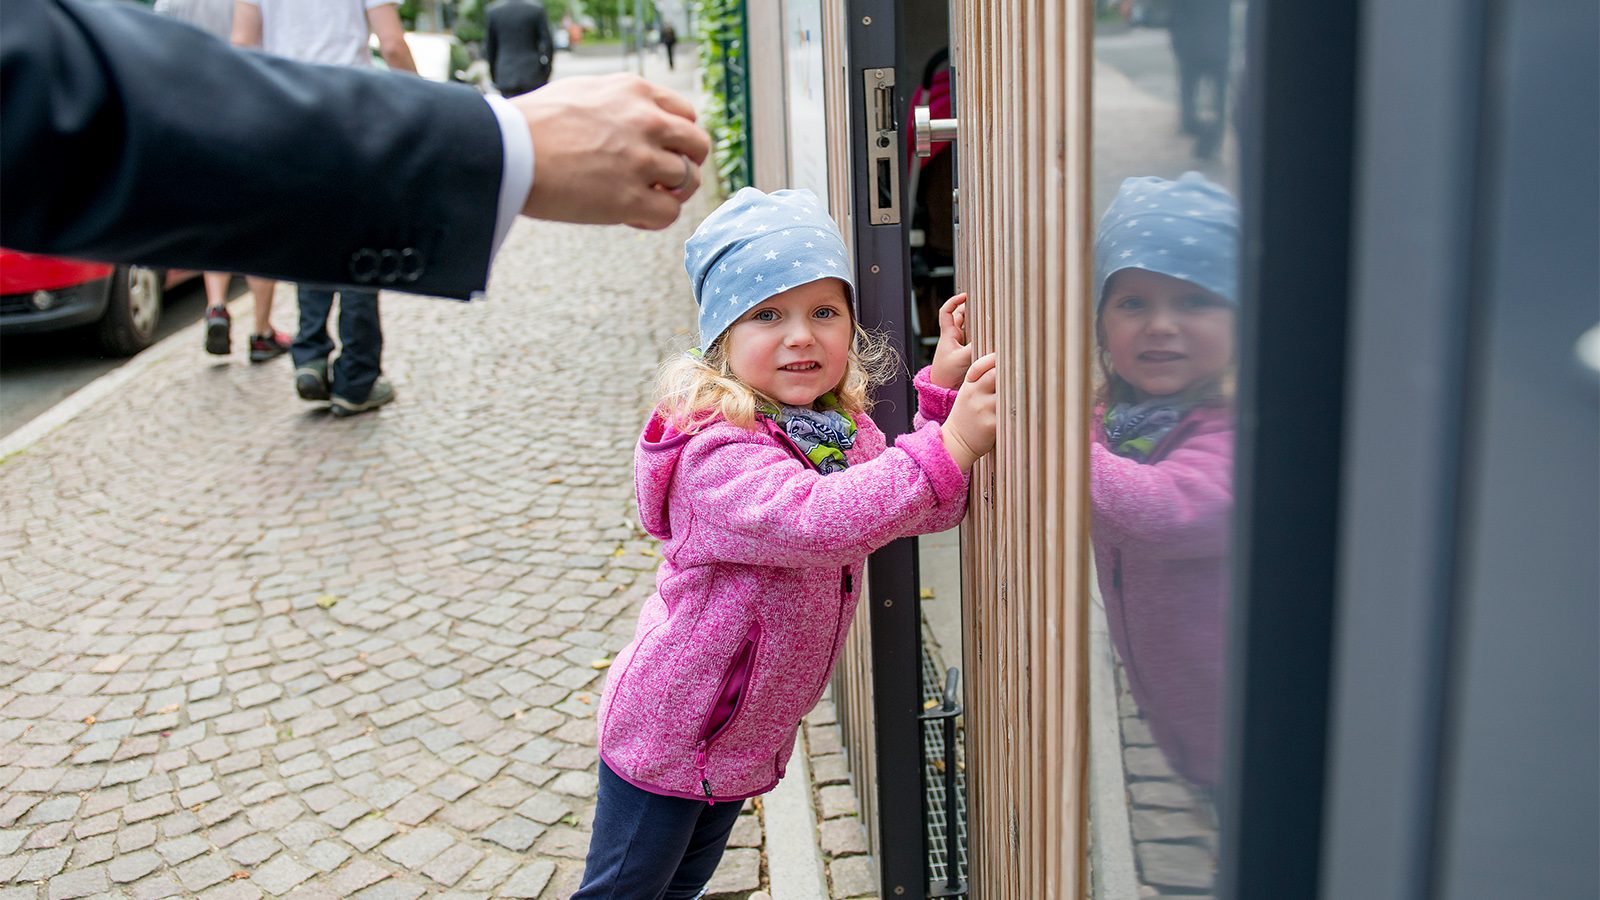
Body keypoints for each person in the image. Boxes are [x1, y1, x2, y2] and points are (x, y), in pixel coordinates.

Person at [572, 188, 998, 897]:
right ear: (723, 341)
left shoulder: (829, 429)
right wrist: (950, 443)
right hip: (671, 733)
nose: (801, 335)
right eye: (768, 314)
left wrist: (943, 401)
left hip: (731, 736)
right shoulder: (720, 452)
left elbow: (914, 506)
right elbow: (821, 518)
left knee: (678, 888)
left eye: (823, 313)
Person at [1, 0, 709, 299]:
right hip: (343, 122)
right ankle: (356, 373)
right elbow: (63, 91)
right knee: (351, 289)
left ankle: (299, 352)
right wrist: (494, 137)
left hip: (304, 131)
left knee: (309, 283)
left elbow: (240, 49)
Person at [1089, 172, 1238, 790]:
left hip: (1243, 728)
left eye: (1193, 300)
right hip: (1183, 718)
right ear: (1102, 326)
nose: (1160, 325)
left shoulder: (1241, 428)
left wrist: (1051, 442)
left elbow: (1166, 512)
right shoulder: (1119, 420)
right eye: (1133, 303)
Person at [230, 0, 417, 415]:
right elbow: (391, 44)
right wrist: (419, 107)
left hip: (289, 113)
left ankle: (310, 357)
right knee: (360, 246)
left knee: (310, 238)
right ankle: (357, 379)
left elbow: (241, 45)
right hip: (351, 113)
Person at [151, 0, 291, 361]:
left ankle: (215, 306)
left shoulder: (170, 2)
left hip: (196, 113)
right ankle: (261, 333)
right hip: (250, 108)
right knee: (258, 226)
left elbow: (160, 55)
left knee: (217, 218)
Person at [484, 0, 554, 97]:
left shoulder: (494, 11)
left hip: (505, 73)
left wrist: (494, 75)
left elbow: (490, 48)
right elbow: (548, 44)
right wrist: (546, 71)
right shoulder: (536, 9)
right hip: (532, 73)